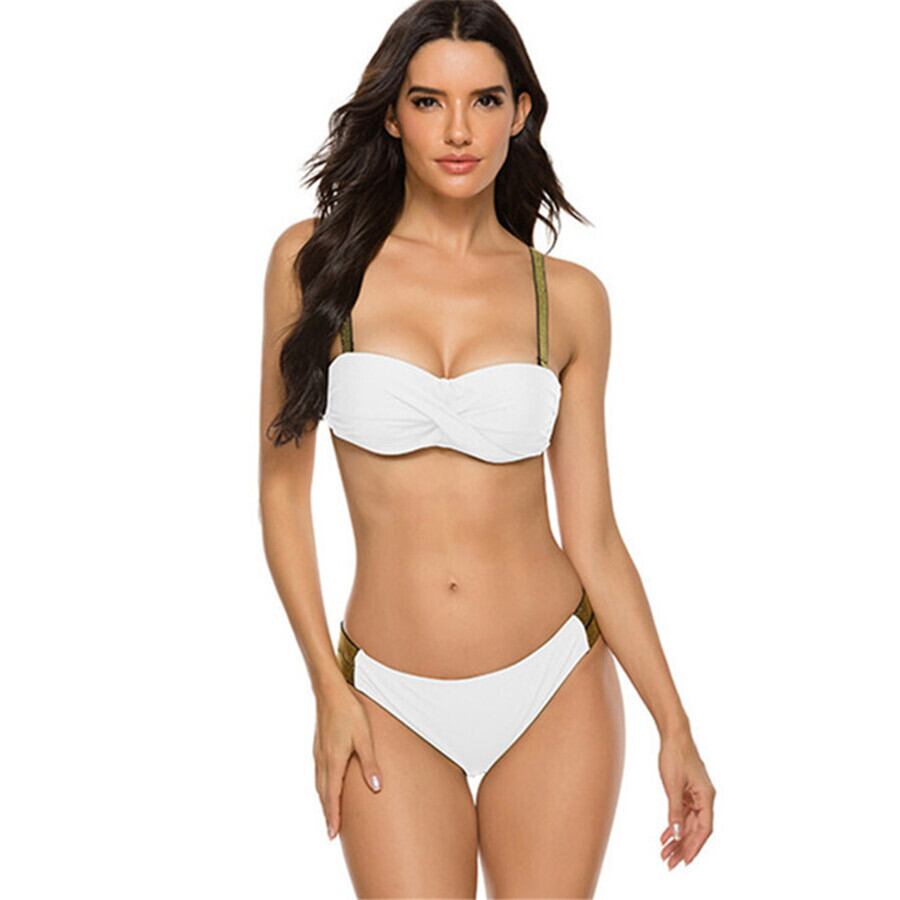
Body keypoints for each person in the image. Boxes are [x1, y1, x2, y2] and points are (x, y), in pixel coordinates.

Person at [259, 1, 715, 895]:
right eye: (429, 101)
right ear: (393, 115)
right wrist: (325, 687)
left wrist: (675, 724)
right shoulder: (313, 265)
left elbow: (594, 536)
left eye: (486, 101)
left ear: (522, 111)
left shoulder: (569, 298)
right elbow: (282, 494)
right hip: (384, 693)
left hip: (554, 681)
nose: (459, 131)